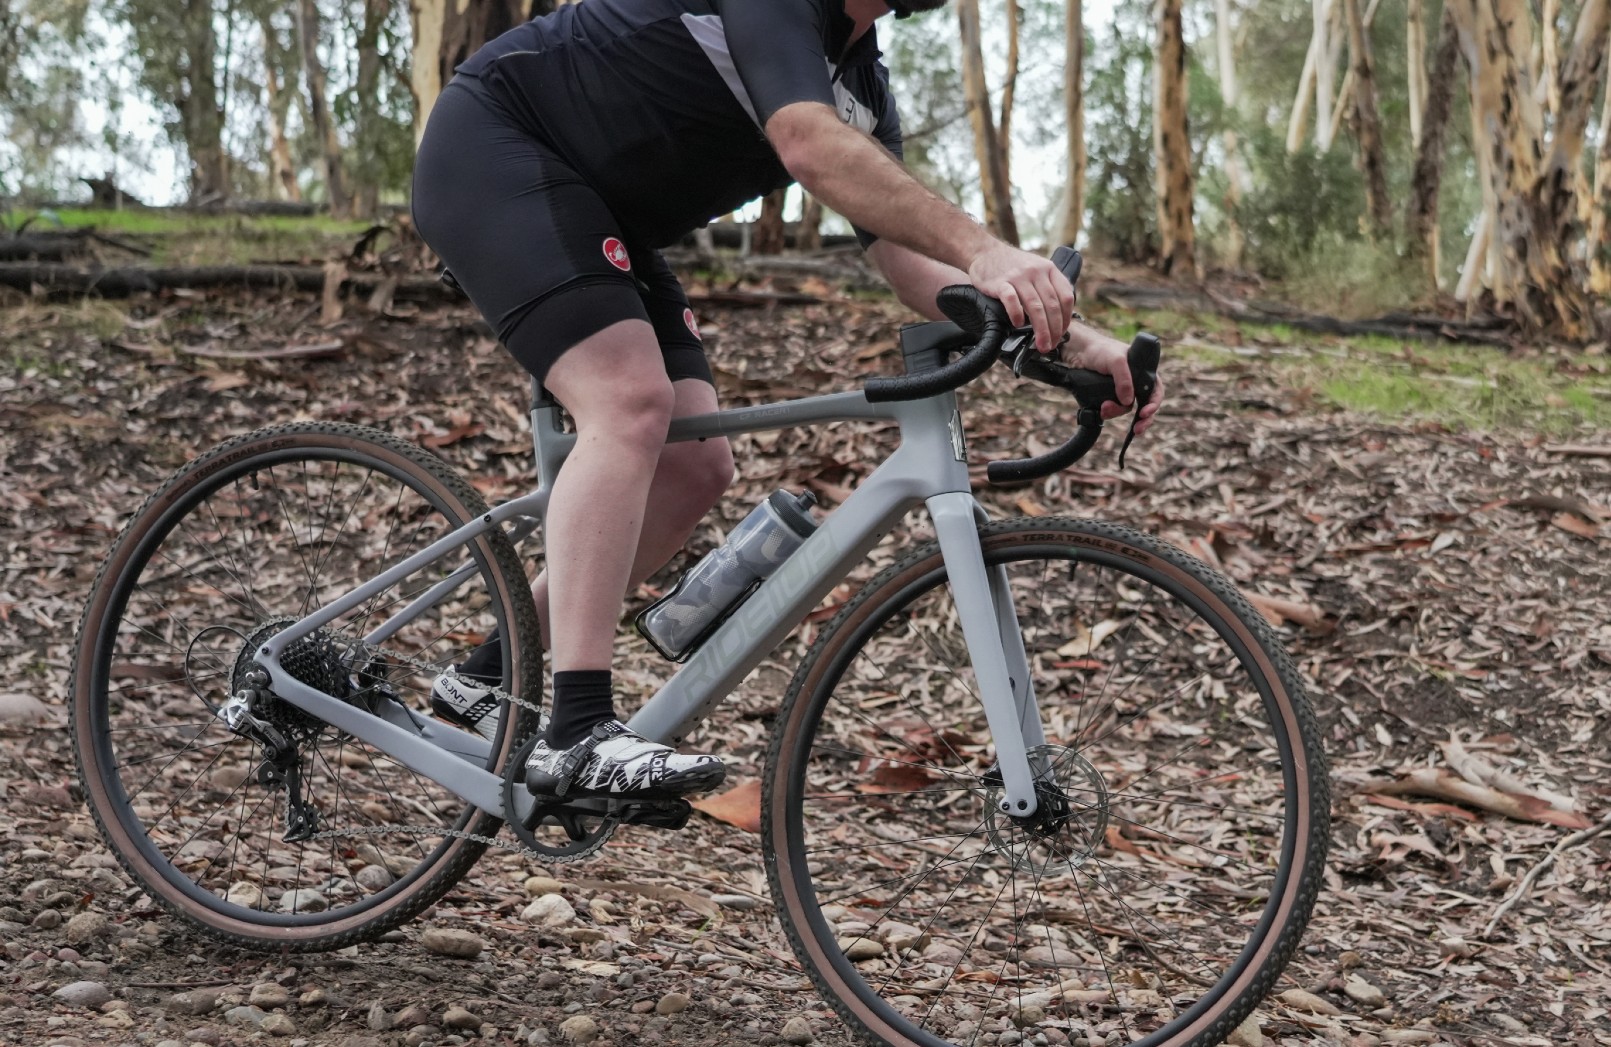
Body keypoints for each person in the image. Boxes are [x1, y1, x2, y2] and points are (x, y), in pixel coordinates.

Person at [412, 0, 1162, 804]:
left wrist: (1074, 340)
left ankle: (488, 676)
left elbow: (906, 263)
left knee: (696, 466)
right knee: (628, 404)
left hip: (606, 216)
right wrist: (986, 249)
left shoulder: (861, 82)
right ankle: (577, 731)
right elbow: (808, 145)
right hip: (499, 148)